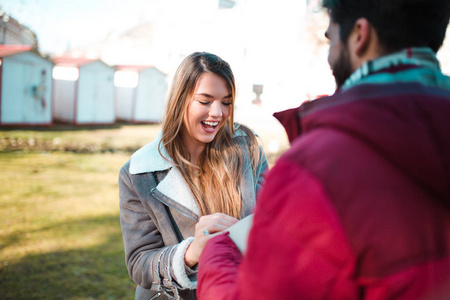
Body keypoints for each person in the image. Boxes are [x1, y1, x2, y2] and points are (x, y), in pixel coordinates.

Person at [197, 0, 450, 299]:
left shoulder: (315, 168)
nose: (329, 57)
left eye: (331, 38)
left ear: (359, 35)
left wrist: (219, 249)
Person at [119, 52, 268, 300]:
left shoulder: (248, 149)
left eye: (226, 102)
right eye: (205, 101)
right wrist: (191, 252)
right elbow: (138, 263)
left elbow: (272, 221)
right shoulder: (138, 173)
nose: (218, 113)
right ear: (181, 99)